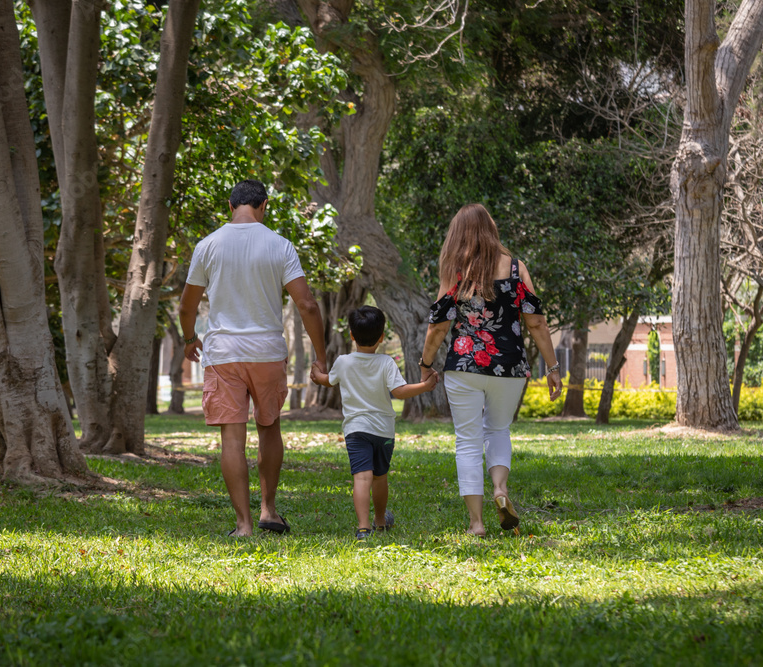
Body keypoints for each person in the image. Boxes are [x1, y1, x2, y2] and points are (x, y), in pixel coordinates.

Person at [179, 179, 327, 537]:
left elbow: (187, 304)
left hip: (223, 354)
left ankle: (243, 525)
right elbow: (306, 304)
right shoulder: (280, 245)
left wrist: (189, 339)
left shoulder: (208, 245)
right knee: (269, 428)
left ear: (231, 207)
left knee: (232, 438)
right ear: (264, 205)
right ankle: (269, 511)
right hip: (266, 353)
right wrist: (321, 357)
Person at [419, 203, 563, 537]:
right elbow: (537, 322)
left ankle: (477, 523)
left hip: (464, 366)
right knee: (498, 430)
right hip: (510, 366)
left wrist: (425, 364)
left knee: (467, 442)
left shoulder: (456, 272)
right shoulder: (515, 268)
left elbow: (438, 327)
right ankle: (500, 490)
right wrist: (552, 367)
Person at [310, 306, 438, 539]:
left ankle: (363, 527)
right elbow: (399, 392)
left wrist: (316, 374)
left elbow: (327, 381)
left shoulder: (343, 362)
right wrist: (424, 386)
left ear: (351, 335)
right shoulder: (386, 363)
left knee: (361, 477)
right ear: (381, 337)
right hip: (383, 431)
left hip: (356, 430)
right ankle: (380, 521)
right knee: (379, 477)